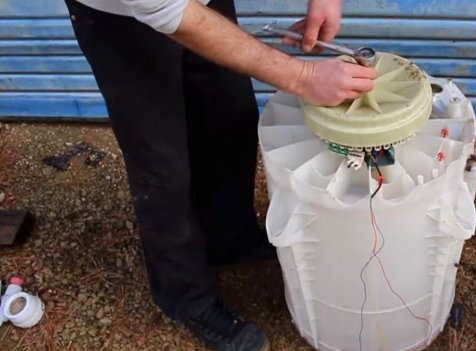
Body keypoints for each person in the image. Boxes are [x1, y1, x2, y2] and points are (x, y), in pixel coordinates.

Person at [63, 0, 377, 350]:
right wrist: (303, 77)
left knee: (230, 118)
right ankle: (185, 295)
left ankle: (229, 238)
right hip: (121, 19)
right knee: (163, 168)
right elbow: (167, 10)